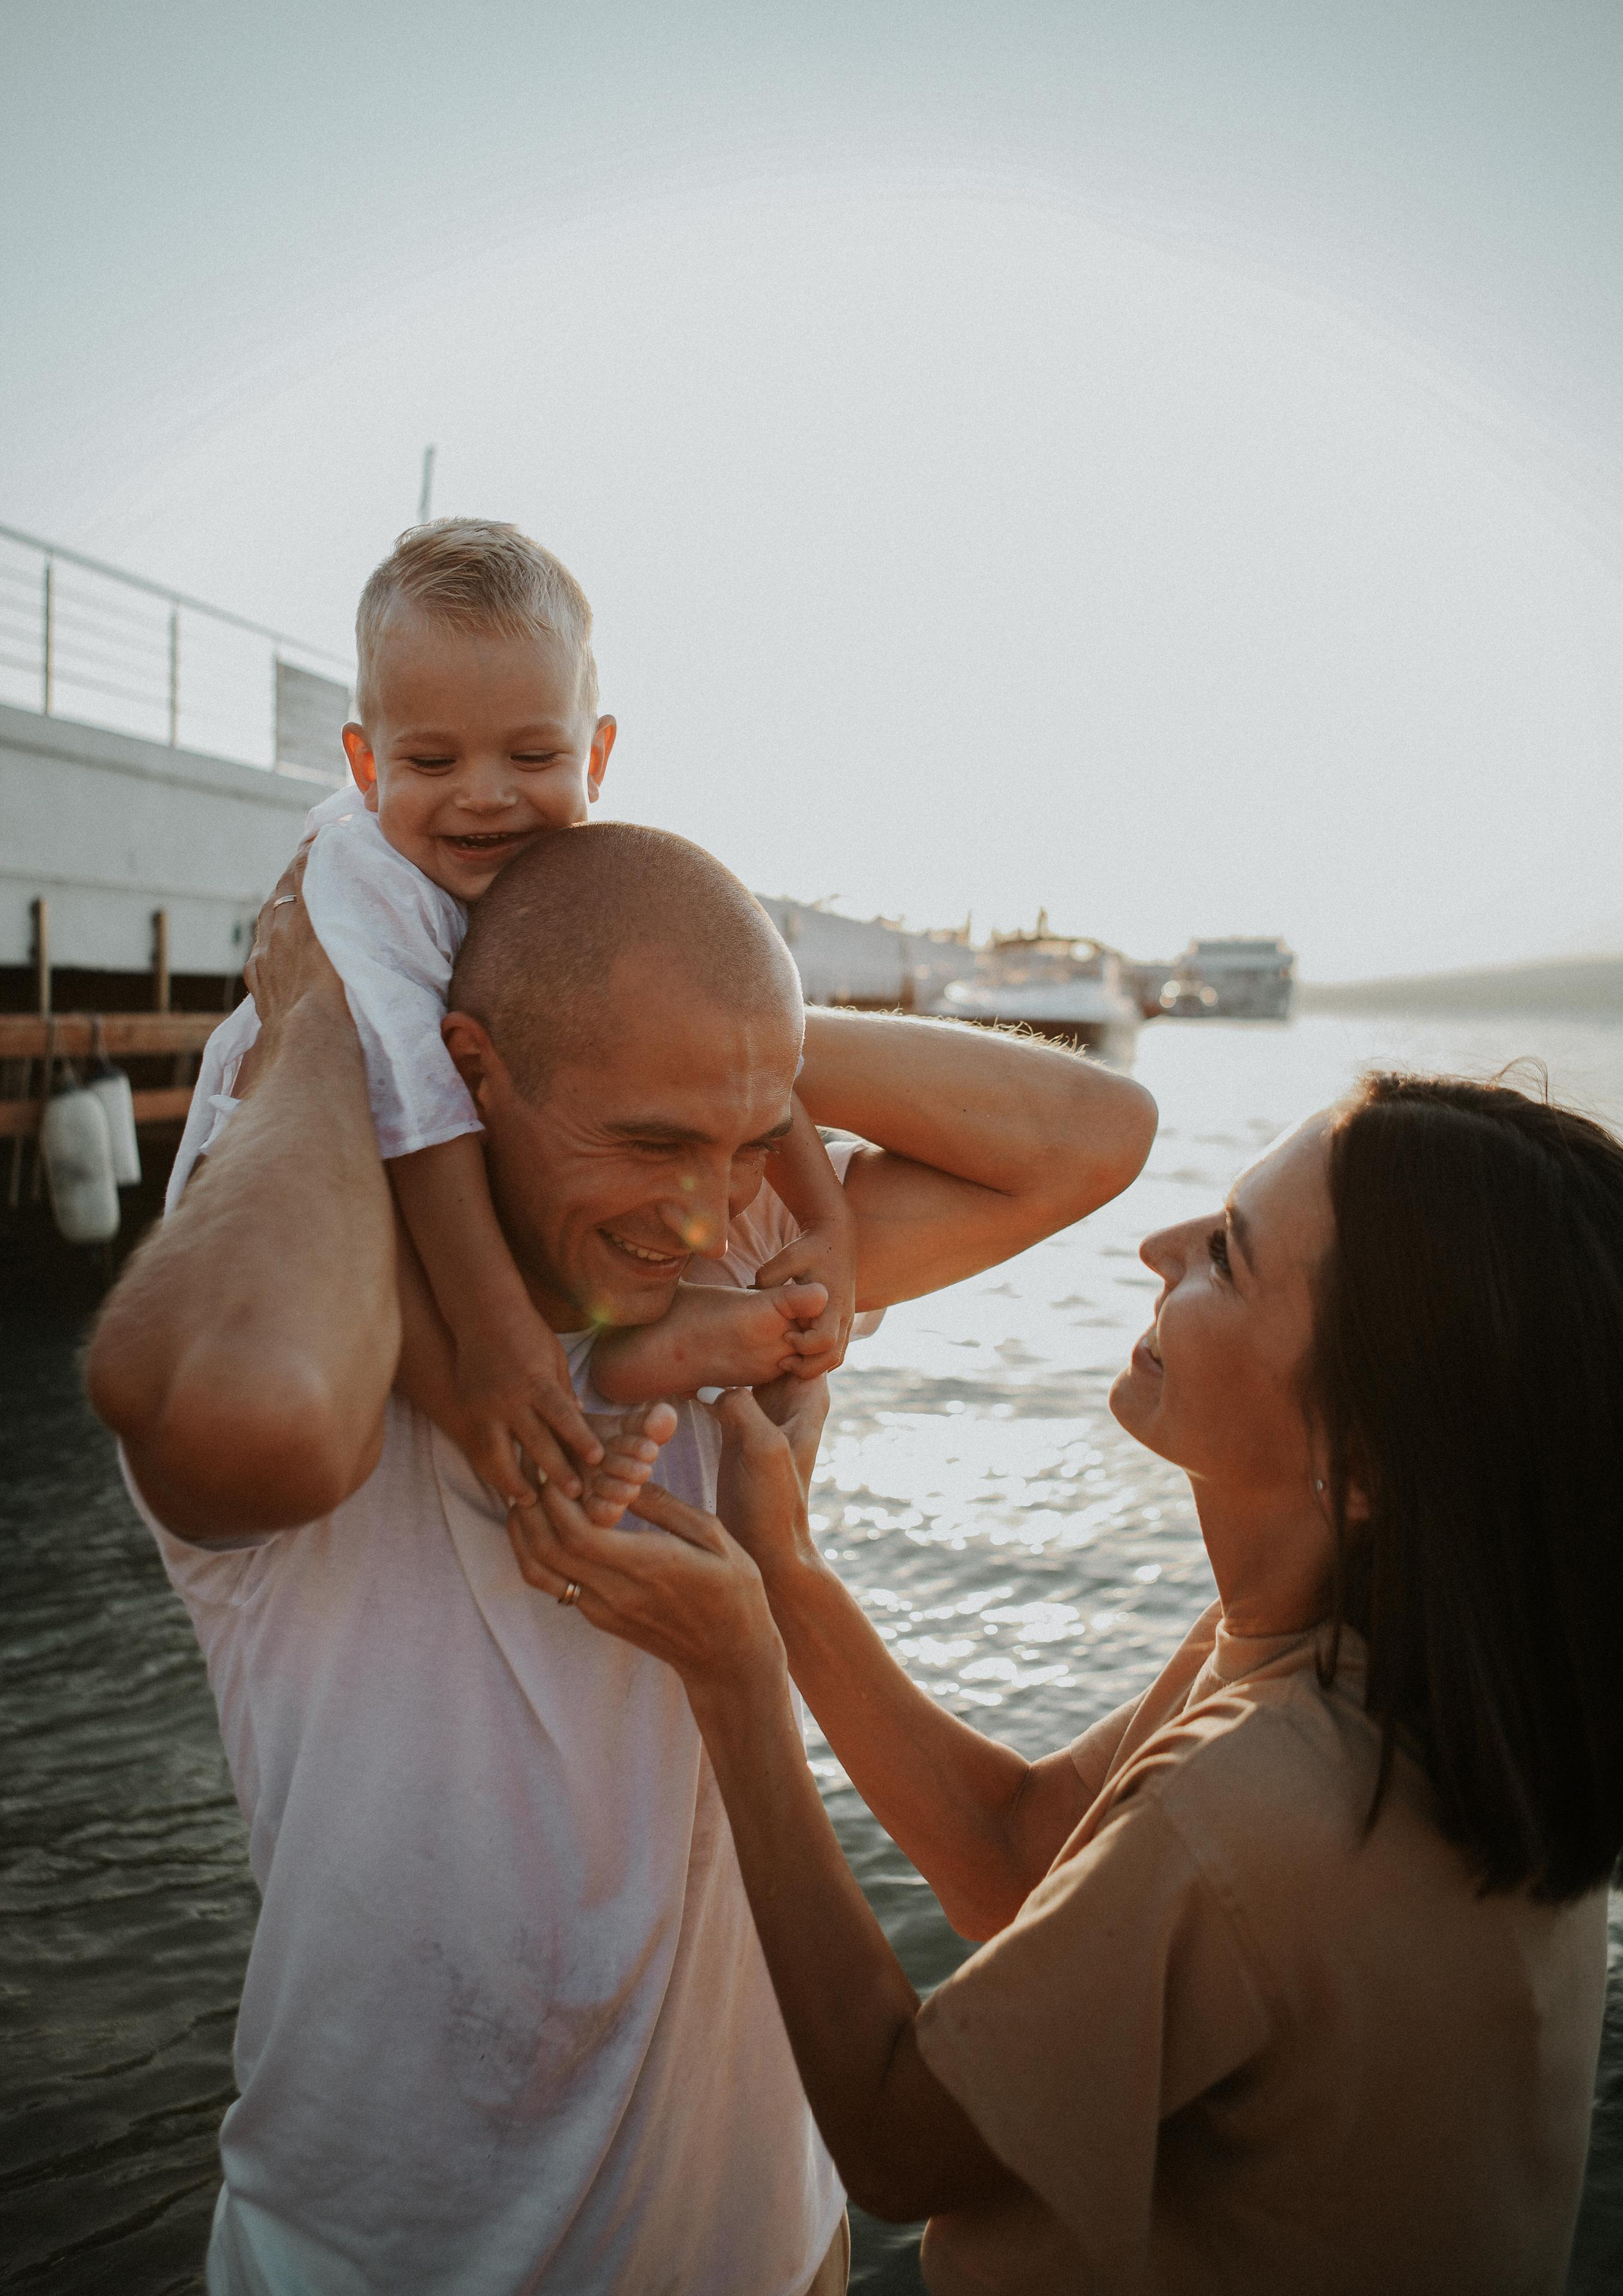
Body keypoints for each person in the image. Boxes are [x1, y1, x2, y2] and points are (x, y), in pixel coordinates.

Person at [87, 822, 1156, 2296]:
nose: (704, 1210)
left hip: (764, 2250)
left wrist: (738, 1045)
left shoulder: (715, 1271)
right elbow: (246, 1413)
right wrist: (337, 1011)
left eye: (734, 1144)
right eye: (647, 1140)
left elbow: (1092, 1135)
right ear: (468, 1069)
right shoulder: (322, 1353)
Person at [511, 1071, 1623, 2295]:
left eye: (1229, 1258)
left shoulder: (1268, 1805)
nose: (1158, 1243)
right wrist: (785, 1570)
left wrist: (735, 1679)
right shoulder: (1377, 1654)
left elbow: (895, 2138)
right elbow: (1017, 1853)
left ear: (1357, 1460)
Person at [181, 516, 854, 1520]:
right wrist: (493, 1328)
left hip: (441, 1112)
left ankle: (624, 1353)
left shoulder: (577, 872)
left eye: (535, 756)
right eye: (434, 762)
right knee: (386, 1259)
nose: (486, 798)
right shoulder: (366, 875)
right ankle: (497, 1429)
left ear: (599, 752)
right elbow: (410, 1092)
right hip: (334, 1128)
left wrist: (829, 1218)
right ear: (366, 767)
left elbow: (737, 1056)